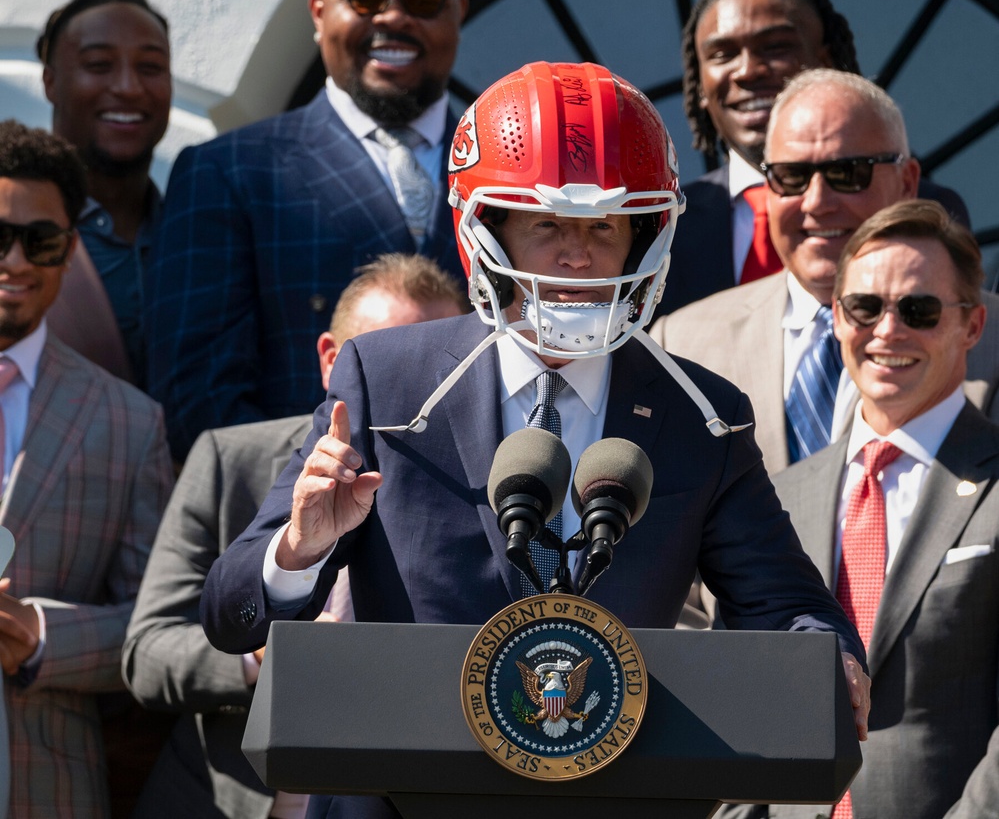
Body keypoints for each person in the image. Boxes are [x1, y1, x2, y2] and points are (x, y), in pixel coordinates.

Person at [199, 61, 870, 819]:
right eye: (546, 225)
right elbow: (229, 613)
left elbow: (783, 602)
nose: (576, 255)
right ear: (489, 231)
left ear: (643, 237)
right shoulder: (384, 379)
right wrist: (300, 549)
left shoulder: (699, 412)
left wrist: (832, 656)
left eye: (603, 228)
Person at [122, 254, 467, 819]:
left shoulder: (481, 490)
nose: (409, 388)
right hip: (226, 798)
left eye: (431, 367)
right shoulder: (229, 460)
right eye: (384, 359)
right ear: (332, 359)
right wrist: (265, 655)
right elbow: (148, 652)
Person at [146, 0, 469, 461]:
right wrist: (303, 522)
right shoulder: (229, 173)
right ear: (319, 11)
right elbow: (201, 405)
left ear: (459, 11)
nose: (393, 17)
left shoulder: (517, 169)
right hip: (304, 530)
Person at [743, 199, 999, 818]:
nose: (888, 330)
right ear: (836, 318)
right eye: (865, 307)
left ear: (972, 325)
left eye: (919, 310)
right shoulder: (778, 494)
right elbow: (741, 695)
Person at [654, 69, 999, 475]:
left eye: (847, 174)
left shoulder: (991, 339)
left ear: (907, 183)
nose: (816, 202)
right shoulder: (681, 345)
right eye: (792, 177)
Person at [0, 120, 173, 818]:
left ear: (69, 250)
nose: (13, 261)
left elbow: (158, 628)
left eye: (38, 241)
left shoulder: (130, 423)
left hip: (47, 785)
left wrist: (41, 639)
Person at [660, 0, 968, 315]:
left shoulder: (927, 207)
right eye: (722, 54)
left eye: (776, 47)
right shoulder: (666, 225)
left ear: (825, 61)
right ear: (699, 84)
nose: (748, 71)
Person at [37, 0, 172, 387]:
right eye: (99, 65)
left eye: (150, 67)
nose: (129, 87)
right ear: (50, 82)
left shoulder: (198, 228)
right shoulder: (16, 230)